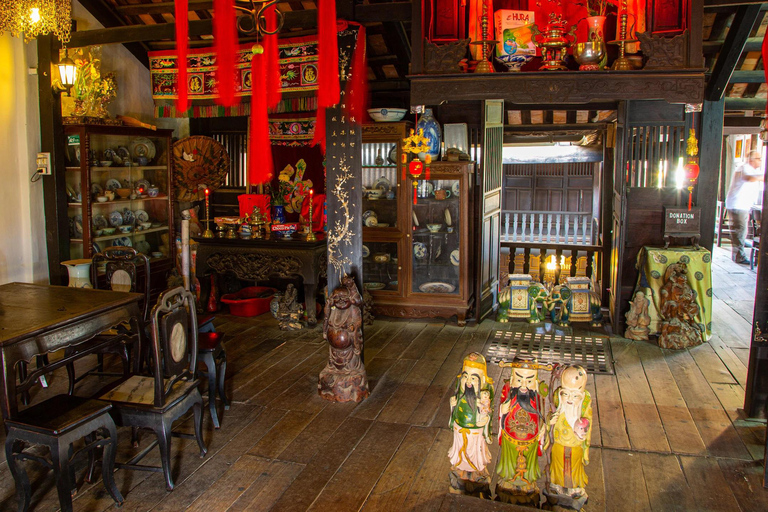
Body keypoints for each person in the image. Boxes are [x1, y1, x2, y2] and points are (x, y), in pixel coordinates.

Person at [448, 352, 494, 495]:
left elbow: (486, 418)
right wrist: (452, 407)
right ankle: (461, 471)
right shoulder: (460, 396)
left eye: (473, 378)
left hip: (475, 432)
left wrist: (484, 419)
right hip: (460, 429)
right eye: (465, 376)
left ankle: (476, 472)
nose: (468, 381)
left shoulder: (482, 400)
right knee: (461, 453)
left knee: (475, 453)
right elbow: (453, 417)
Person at [726, 150, 764, 264]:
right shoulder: (745, 168)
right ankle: (739, 256)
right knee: (739, 231)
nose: (760, 161)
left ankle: (739, 255)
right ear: (751, 160)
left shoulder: (750, 169)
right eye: (758, 159)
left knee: (741, 231)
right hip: (738, 205)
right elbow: (749, 178)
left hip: (742, 205)